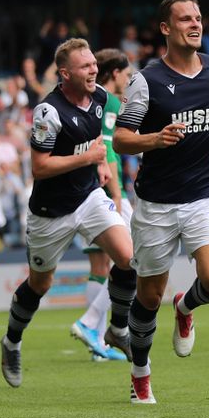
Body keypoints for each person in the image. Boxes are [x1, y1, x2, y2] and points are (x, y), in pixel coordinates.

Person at [114, 0, 209, 404]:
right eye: (185, 19)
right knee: (148, 296)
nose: (195, 24)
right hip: (156, 204)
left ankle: (185, 308)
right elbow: (121, 139)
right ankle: (140, 376)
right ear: (166, 29)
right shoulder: (146, 81)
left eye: (198, 17)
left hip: (204, 193)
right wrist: (156, 138)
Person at [0, 38, 137, 390]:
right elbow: (40, 167)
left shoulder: (102, 99)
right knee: (39, 285)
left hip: (88, 197)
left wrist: (103, 164)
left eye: (94, 64)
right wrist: (88, 160)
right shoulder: (49, 112)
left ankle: (116, 329)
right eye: (85, 66)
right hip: (50, 214)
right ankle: (12, 341)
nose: (93, 70)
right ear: (65, 74)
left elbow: (98, 145)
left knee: (129, 257)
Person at [69, 47, 132, 362]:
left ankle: (98, 346)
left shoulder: (91, 99)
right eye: (127, 73)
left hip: (85, 191)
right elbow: (106, 147)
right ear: (116, 73)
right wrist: (118, 196)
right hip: (104, 192)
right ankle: (92, 324)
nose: (129, 79)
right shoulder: (108, 100)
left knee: (99, 267)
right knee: (135, 259)